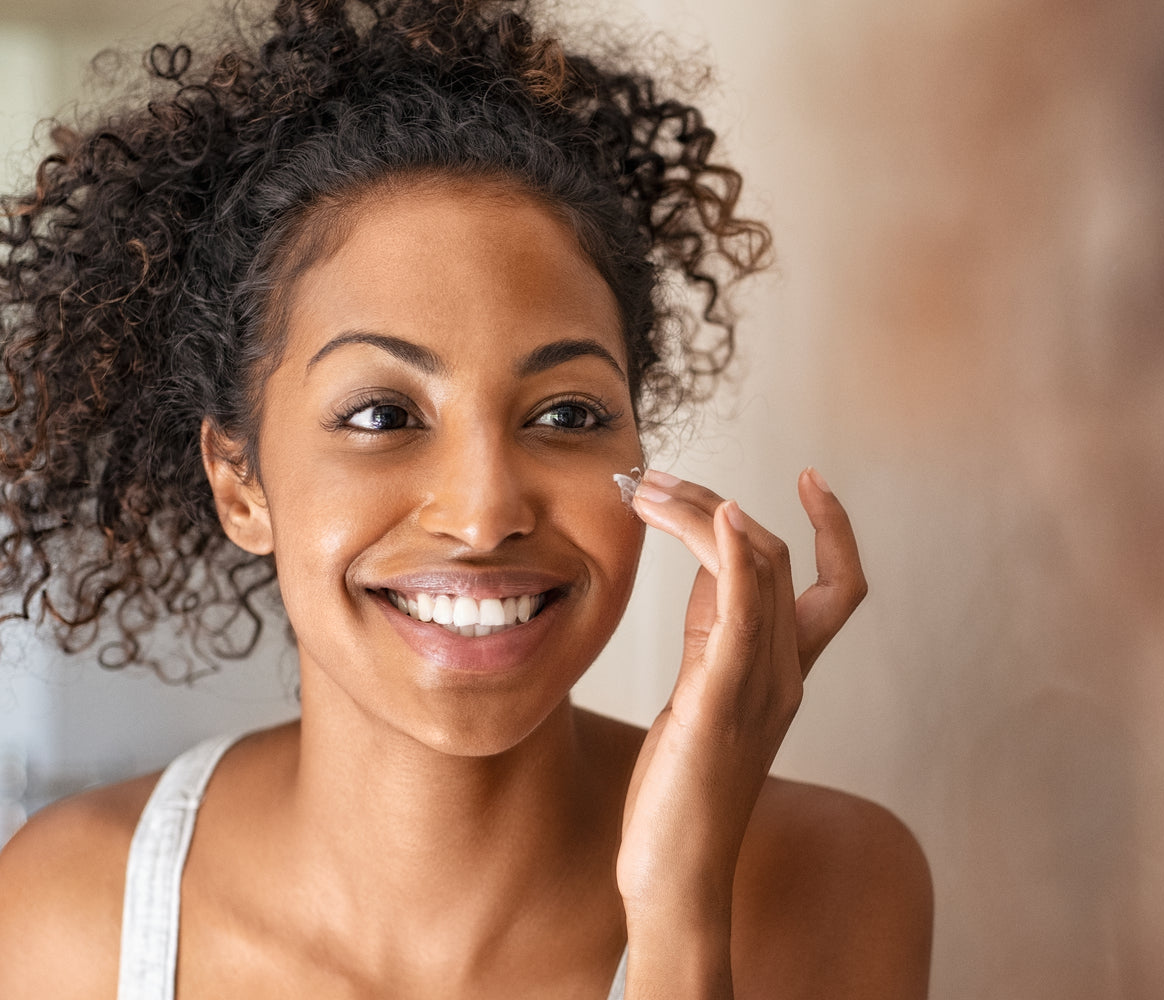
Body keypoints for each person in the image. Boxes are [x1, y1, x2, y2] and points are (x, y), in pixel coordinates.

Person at [0, 1, 933, 997]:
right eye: (382, 415)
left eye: (568, 414)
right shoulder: (65, 915)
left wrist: (679, 899)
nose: (485, 513)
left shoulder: (832, 880)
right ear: (239, 480)